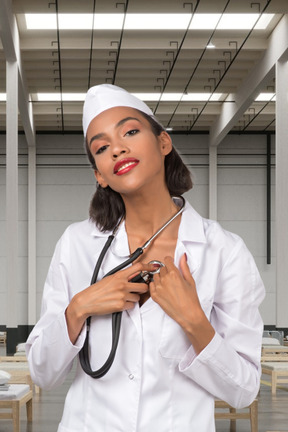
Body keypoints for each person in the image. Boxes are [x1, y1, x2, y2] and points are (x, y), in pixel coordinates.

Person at [26, 84, 265, 432]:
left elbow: (244, 389)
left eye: (131, 131)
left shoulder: (223, 251)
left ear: (163, 142)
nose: (117, 148)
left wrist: (194, 321)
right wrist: (78, 308)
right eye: (102, 147)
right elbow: (42, 373)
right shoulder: (77, 244)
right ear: (99, 175)